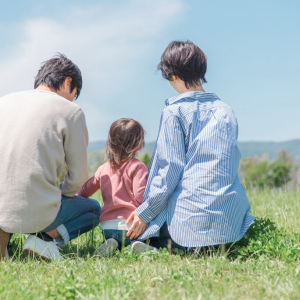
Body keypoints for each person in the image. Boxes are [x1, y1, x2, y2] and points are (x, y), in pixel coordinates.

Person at [125, 40, 256, 253]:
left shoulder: (173, 112)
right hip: (230, 223)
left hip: (190, 220)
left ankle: (163, 245)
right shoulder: (226, 111)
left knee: (142, 230)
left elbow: (170, 172)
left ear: (173, 75)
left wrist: (144, 213)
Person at [0, 54, 100, 260]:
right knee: (93, 209)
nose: (73, 100)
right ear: (67, 82)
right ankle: (43, 241)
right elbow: (79, 177)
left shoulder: (4, 102)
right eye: (74, 94)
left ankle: (5, 239)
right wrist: (60, 195)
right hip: (37, 210)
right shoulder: (71, 111)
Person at [77, 118, 150, 256]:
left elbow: (84, 191)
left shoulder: (103, 168)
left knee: (113, 239)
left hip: (107, 227)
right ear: (139, 145)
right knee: (143, 233)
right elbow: (141, 196)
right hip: (131, 226)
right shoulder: (138, 166)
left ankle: (111, 242)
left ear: (110, 144)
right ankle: (137, 245)